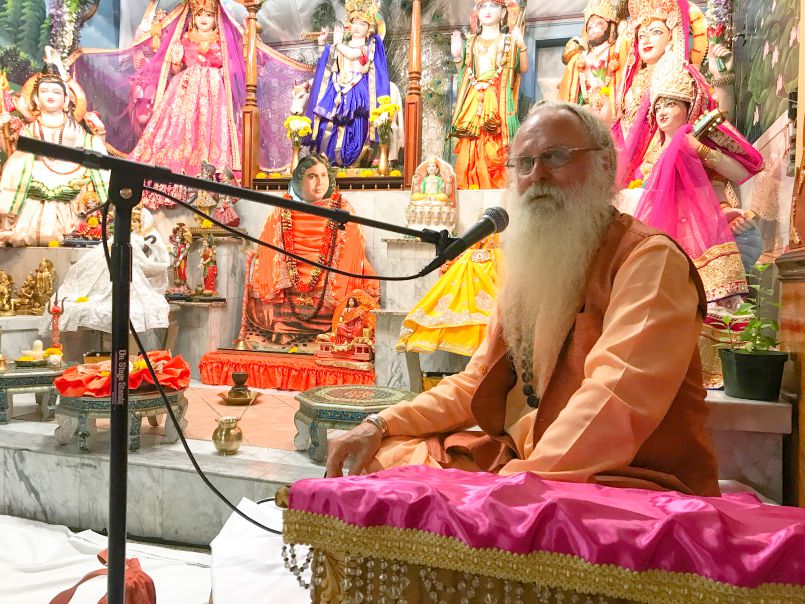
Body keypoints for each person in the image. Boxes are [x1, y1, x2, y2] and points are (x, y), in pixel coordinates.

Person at [327, 101, 720, 497]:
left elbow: (614, 404)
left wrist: (510, 488)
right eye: (525, 163)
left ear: (604, 166)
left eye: (556, 157)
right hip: (521, 463)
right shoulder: (530, 266)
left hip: (617, 478)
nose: (538, 176)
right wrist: (379, 423)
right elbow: (476, 382)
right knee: (378, 459)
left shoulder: (648, 260)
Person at [247, 155, 380, 345]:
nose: (319, 183)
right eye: (312, 176)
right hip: (288, 294)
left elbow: (352, 248)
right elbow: (268, 248)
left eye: (324, 175)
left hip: (330, 292)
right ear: (299, 180)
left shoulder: (342, 210)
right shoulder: (282, 210)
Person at [127, 0, 240, 208]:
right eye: (199, 15)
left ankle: (209, 175)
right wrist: (176, 59)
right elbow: (176, 70)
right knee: (182, 125)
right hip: (186, 88)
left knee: (208, 127)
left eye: (208, 15)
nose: (203, 19)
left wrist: (220, 71)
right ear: (193, 17)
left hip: (214, 90)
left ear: (216, 17)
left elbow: (230, 68)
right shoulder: (185, 38)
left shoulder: (222, 39)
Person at [0, 52, 109, 247]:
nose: (50, 95)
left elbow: (91, 146)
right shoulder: (29, 127)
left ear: (66, 99)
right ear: (36, 97)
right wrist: (2, 130)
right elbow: (13, 151)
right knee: (16, 169)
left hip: (72, 172)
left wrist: (99, 131)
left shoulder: (74, 126)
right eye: (45, 91)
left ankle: (80, 230)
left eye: (56, 92)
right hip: (37, 171)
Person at [450, 0, 527, 189]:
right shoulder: (472, 41)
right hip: (474, 101)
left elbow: (522, 69)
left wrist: (522, 46)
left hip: (497, 99)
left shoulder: (507, 40)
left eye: (493, 6)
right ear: (477, 12)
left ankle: (494, 189)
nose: (487, 10)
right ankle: (469, 187)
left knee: (494, 143)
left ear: (503, 13)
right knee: (470, 142)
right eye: (483, 6)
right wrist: (457, 56)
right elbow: (466, 73)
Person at [611, 0, 709, 148]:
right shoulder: (631, 80)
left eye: (656, 32)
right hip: (626, 157)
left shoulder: (680, 76)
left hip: (662, 154)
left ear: (670, 35)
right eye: (642, 35)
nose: (646, 40)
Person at [305, 0, 391, 167]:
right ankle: (326, 159)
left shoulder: (367, 48)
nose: (357, 27)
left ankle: (350, 159)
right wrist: (323, 43)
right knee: (327, 124)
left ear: (369, 29)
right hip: (337, 89)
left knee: (354, 121)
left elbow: (352, 55)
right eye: (354, 22)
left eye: (362, 23)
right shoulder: (342, 45)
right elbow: (329, 64)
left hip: (356, 89)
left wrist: (336, 44)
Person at [557, 0, 629, 123]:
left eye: (599, 24)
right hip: (586, 119)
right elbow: (567, 98)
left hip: (614, 116)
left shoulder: (619, 49)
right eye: (589, 27)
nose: (593, 29)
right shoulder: (578, 59)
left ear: (611, 27)